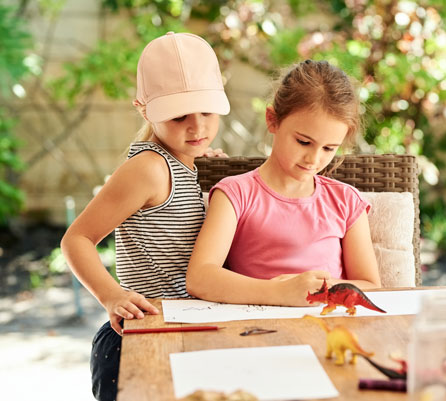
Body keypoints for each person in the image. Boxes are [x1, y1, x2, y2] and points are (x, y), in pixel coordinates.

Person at [60, 32, 230, 401]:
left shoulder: (190, 163)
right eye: (178, 115)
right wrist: (111, 295)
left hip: (190, 330)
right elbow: (76, 238)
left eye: (206, 111)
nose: (197, 127)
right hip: (139, 338)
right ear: (142, 108)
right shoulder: (150, 168)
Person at [186, 59, 381, 306]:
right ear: (272, 120)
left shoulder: (345, 201)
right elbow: (199, 277)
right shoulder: (235, 194)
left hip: (329, 329)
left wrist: (318, 290)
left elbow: (371, 286)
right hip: (259, 331)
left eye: (329, 148)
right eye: (303, 142)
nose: (314, 159)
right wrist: (279, 293)